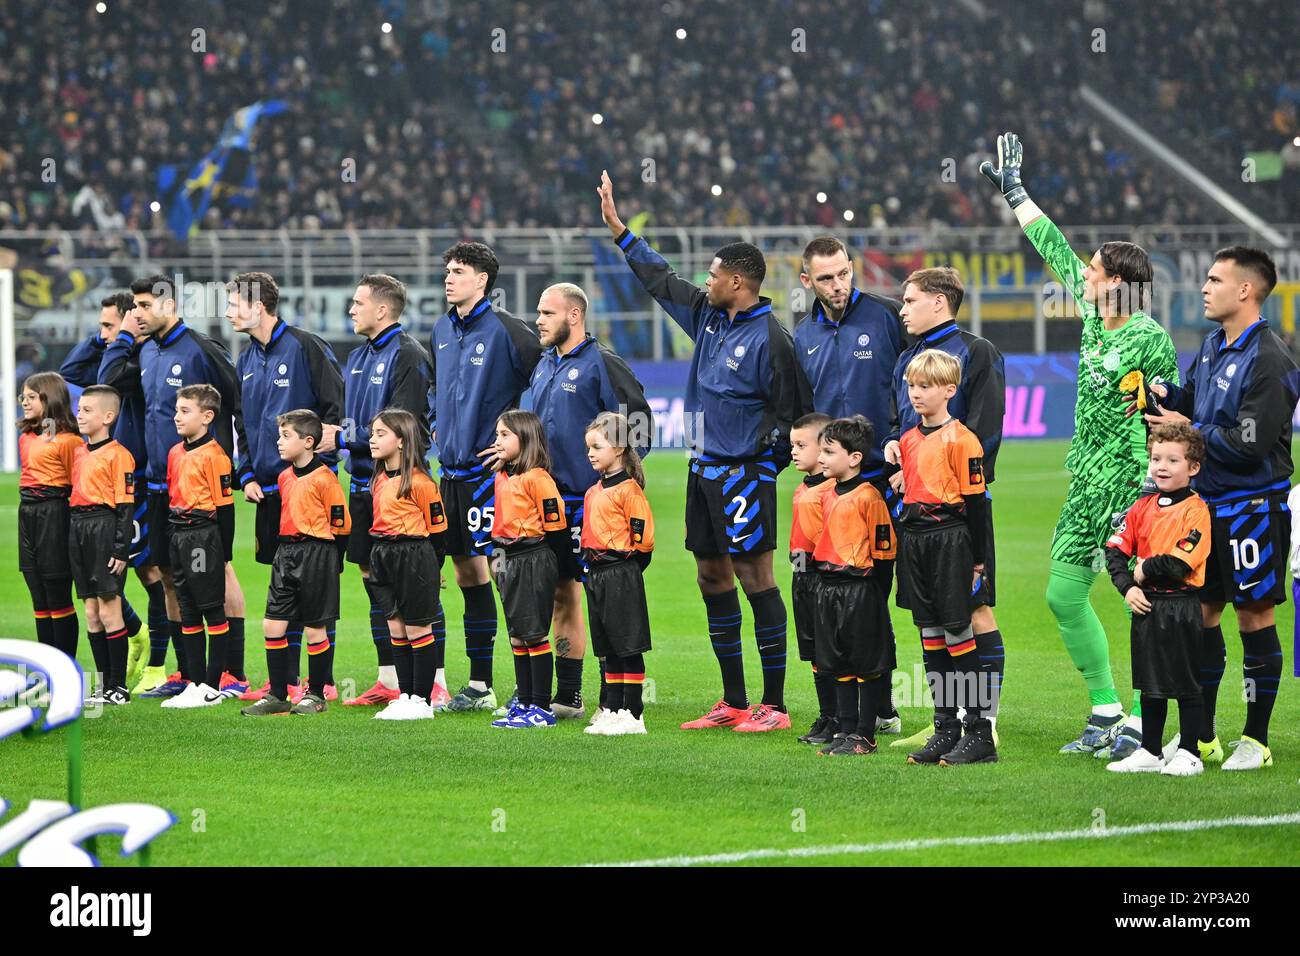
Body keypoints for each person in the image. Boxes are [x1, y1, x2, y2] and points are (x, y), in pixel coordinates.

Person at [981, 131, 1179, 758]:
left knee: (1146, 599)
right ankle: (1106, 712)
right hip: (1082, 478)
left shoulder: (1150, 338)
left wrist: (1158, 484)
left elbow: (1168, 421)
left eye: (1095, 269)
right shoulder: (1095, 316)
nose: (1085, 273)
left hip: (1127, 482)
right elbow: (1055, 249)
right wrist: (1017, 194)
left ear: (1119, 281)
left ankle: (1175, 724)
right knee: (1062, 595)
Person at [598, 170, 812, 732]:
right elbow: (661, 281)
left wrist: (762, 466)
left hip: (744, 476)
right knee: (711, 578)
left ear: (738, 281)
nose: (706, 280)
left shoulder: (773, 340)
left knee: (756, 578)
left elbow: (795, 416)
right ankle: (734, 701)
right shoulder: (708, 318)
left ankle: (776, 704)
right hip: (702, 473)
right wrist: (622, 233)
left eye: (714, 274)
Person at [1140, 246, 1299, 770]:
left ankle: (1255, 740)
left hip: (1253, 507)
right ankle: (1200, 736)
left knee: (1254, 616)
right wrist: (1169, 396)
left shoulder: (1272, 359)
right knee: (1201, 616)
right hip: (1205, 509)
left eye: (1214, 280)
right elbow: (1195, 400)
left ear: (1246, 290)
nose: (1204, 288)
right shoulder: (1212, 343)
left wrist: (1186, 432)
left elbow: (1249, 443)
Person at [884, 266, 1006, 751]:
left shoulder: (977, 352)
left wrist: (938, 476)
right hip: (916, 518)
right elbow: (900, 423)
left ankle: (984, 722)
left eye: (910, 300)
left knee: (972, 615)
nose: (902, 309)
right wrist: (900, 453)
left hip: (959, 515)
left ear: (939, 301)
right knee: (934, 624)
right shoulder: (907, 359)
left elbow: (986, 430)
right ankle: (948, 723)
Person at [111, 275, 247, 701]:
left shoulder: (202, 349)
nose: (137, 314)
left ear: (170, 305)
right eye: (134, 306)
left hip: (202, 491)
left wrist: (234, 468)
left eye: (145, 305)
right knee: (172, 576)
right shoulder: (145, 350)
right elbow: (107, 379)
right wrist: (122, 338)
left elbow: (238, 400)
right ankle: (189, 673)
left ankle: (232, 673)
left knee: (218, 572)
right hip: (157, 485)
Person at [795, 236, 905, 735]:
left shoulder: (885, 317)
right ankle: (838, 711)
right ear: (807, 282)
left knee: (872, 599)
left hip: (880, 482)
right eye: (826, 278)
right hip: (824, 490)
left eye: (843, 274)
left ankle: (879, 708)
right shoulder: (802, 335)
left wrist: (904, 442)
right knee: (826, 598)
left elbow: (911, 383)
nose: (838, 285)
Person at [527, 281, 651, 720]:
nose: (538, 321)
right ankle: (569, 696)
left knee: (601, 597)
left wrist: (615, 486)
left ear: (574, 316)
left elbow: (637, 425)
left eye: (546, 313)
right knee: (561, 596)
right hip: (547, 503)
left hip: (588, 503)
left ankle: (614, 701)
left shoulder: (603, 363)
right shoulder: (544, 365)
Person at [431, 242, 543, 714]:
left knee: (507, 576)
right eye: (447, 271)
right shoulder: (440, 328)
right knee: (465, 573)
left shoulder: (510, 332)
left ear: (482, 280)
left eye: (458, 272)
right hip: (451, 473)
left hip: (491, 477)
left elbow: (546, 382)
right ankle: (480, 684)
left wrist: (520, 441)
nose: (448, 278)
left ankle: (529, 686)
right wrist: (436, 419)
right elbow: (439, 387)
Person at [226, 272, 345, 703]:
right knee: (285, 581)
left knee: (314, 584)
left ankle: (322, 682)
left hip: (307, 488)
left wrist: (318, 472)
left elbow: (335, 406)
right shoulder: (245, 359)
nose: (227, 313)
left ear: (258, 307)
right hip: (268, 488)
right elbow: (242, 421)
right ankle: (288, 681)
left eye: (234, 304)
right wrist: (247, 474)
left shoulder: (306, 347)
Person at [338, 274, 436, 708]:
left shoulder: (408, 355)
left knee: (417, 588)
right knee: (375, 580)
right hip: (362, 484)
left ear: (382, 310)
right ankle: (389, 678)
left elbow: (405, 427)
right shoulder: (358, 356)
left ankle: (432, 682)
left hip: (399, 485)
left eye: (358, 303)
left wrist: (341, 438)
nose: (351, 310)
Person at [896, 351, 997, 765]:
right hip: (915, 540)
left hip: (951, 540)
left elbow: (978, 505)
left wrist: (979, 561)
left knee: (959, 633)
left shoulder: (962, 440)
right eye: (912, 386)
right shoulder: (908, 439)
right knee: (930, 633)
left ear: (949, 390)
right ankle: (945, 728)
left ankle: (979, 733)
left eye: (925, 387)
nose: (916, 394)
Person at [1104, 423, 1211, 776]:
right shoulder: (1141, 507)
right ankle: (1150, 749)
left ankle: (1189, 752)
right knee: (1150, 683)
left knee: (1185, 682)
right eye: (1156, 458)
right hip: (1147, 606)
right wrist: (1129, 588)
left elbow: (1181, 563)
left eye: (1173, 459)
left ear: (1193, 467)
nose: (1161, 466)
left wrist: (1146, 566)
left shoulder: (1196, 510)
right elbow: (1115, 552)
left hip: (1181, 606)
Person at [242, 410, 352, 717]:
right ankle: (278, 694)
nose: (279, 442)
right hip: (286, 554)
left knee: (315, 628)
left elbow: (341, 525)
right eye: (279, 435)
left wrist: (333, 562)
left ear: (308, 442)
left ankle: (316, 694)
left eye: (286, 436)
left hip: (317, 554)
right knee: (272, 624)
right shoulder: (283, 476)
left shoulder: (325, 479)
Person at [810, 416, 896, 757]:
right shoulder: (827, 494)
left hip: (860, 589)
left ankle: (865, 734)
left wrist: (875, 595)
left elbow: (885, 551)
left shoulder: (868, 497)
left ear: (855, 457)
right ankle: (845, 730)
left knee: (866, 664)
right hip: (828, 587)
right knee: (838, 662)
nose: (822, 459)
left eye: (829, 452)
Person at [98, 296, 168, 692]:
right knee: (99, 571)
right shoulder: (118, 353)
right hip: (107, 482)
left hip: (139, 482)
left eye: (108, 327)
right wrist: (109, 337)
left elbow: (108, 376)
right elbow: (75, 368)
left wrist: (124, 333)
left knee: (149, 570)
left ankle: (156, 663)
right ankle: (135, 633)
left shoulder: (143, 363)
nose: (103, 336)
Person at [487, 411, 568, 729]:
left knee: (534, 635)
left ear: (526, 438)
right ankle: (524, 701)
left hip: (533, 557)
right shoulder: (503, 475)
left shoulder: (538, 478)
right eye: (497, 434)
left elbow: (557, 528)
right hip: (507, 558)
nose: (497, 441)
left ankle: (541, 706)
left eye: (505, 434)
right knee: (517, 635)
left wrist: (563, 569)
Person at [367, 408, 448, 722]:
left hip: (414, 555)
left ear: (401, 441)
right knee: (396, 627)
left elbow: (438, 533)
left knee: (417, 627)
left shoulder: (421, 483)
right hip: (382, 555)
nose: (372, 440)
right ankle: (404, 695)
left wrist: (432, 568)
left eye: (381, 433)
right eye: (373, 433)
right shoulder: (378, 479)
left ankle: (422, 701)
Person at [159, 385, 236, 710]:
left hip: (202, 537)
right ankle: (195, 682)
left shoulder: (216, 456)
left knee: (210, 608)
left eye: (185, 411)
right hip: (179, 535)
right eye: (176, 410)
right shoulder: (175, 452)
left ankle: (211, 685)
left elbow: (226, 508)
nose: (177, 416)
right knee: (187, 608)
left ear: (207, 417)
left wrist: (224, 553)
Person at [580, 411, 655, 736]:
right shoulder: (593, 491)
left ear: (620, 447)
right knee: (608, 646)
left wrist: (624, 571)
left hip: (621, 572)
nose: (591, 453)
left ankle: (633, 712)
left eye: (597, 446)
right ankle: (612, 707)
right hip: (596, 574)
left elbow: (644, 543)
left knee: (627, 645)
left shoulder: (629, 492)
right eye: (588, 448)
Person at [69, 386, 137, 705]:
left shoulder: (119, 455)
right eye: (79, 409)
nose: (80, 414)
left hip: (104, 527)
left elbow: (125, 507)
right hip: (78, 529)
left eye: (87, 410)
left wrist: (120, 549)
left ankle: (118, 687)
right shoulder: (80, 452)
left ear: (108, 417)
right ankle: (103, 684)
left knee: (110, 609)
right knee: (92, 611)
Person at [18, 373, 85, 656]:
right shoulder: (27, 436)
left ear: (49, 398)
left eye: (32, 397)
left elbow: (77, 482)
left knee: (57, 595)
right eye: (23, 397)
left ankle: (64, 671)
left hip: (54, 514)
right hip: (28, 515)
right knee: (38, 596)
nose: (24, 402)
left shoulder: (69, 441)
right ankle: (47, 671)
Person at [785, 412, 838, 744]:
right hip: (801, 577)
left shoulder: (832, 490)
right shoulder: (803, 487)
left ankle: (840, 717)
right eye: (792, 445)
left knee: (831, 649)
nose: (793, 451)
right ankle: (826, 714)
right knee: (814, 650)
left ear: (824, 448)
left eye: (801, 445)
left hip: (823, 578)